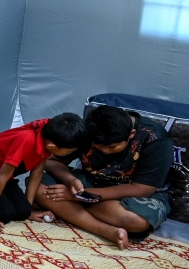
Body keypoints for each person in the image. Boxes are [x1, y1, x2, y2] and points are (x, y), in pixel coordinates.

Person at [38, 105, 174, 250]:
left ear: (131, 134)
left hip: (134, 194)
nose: (105, 151)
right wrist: (70, 181)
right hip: (90, 182)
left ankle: (68, 209)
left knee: (136, 221)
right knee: (38, 186)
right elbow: (51, 161)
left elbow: (143, 189)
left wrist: (80, 197)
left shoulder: (155, 138)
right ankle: (103, 230)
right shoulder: (88, 130)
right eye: (98, 146)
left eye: (112, 147)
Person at [0, 114, 88, 233]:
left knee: (23, 212)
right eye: (68, 152)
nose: (68, 155)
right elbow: (1, 177)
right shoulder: (26, 140)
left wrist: (28, 209)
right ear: (52, 146)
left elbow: (36, 174)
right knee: (6, 214)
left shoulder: (47, 137)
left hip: (4, 176)